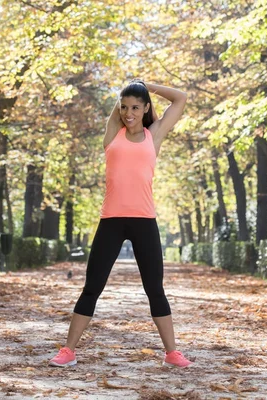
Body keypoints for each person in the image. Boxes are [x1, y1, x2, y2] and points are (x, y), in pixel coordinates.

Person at [49, 79, 192, 368]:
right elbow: (120, 110)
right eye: (124, 107)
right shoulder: (113, 133)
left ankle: (172, 353)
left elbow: (180, 98)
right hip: (111, 221)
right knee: (92, 287)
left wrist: (147, 85)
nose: (129, 113)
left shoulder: (156, 135)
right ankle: (68, 351)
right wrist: (128, 90)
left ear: (146, 108)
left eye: (136, 107)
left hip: (144, 222)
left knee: (155, 289)